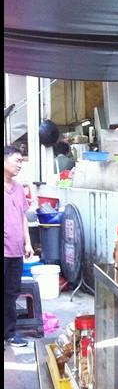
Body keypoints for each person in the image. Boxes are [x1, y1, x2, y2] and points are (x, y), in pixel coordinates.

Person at [4, 146, 33, 348]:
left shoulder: (18, 188)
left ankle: (9, 333)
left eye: (22, 161)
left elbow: (23, 216)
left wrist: (28, 242)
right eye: (17, 160)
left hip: (15, 252)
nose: (20, 165)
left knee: (11, 294)